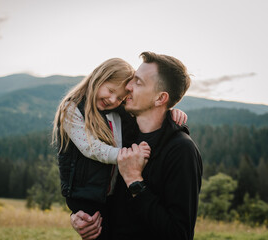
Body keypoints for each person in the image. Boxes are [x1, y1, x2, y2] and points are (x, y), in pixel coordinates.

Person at [70, 51, 203, 240]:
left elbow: (179, 234)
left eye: (138, 82)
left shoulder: (181, 150)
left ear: (160, 98)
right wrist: (79, 216)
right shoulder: (121, 136)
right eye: (132, 79)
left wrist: (134, 181)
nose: (128, 86)